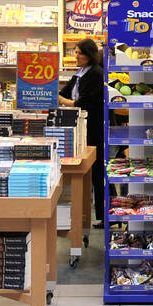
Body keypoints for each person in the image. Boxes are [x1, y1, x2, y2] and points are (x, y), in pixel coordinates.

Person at [58, 37, 106, 224]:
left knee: (97, 171)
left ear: (89, 55)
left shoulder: (95, 73)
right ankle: (89, 214)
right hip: (81, 128)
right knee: (87, 172)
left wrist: (64, 101)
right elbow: (66, 91)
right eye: (75, 52)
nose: (75, 56)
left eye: (79, 53)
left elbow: (84, 102)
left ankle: (102, 216)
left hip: (93, 128)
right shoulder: (81, 71)